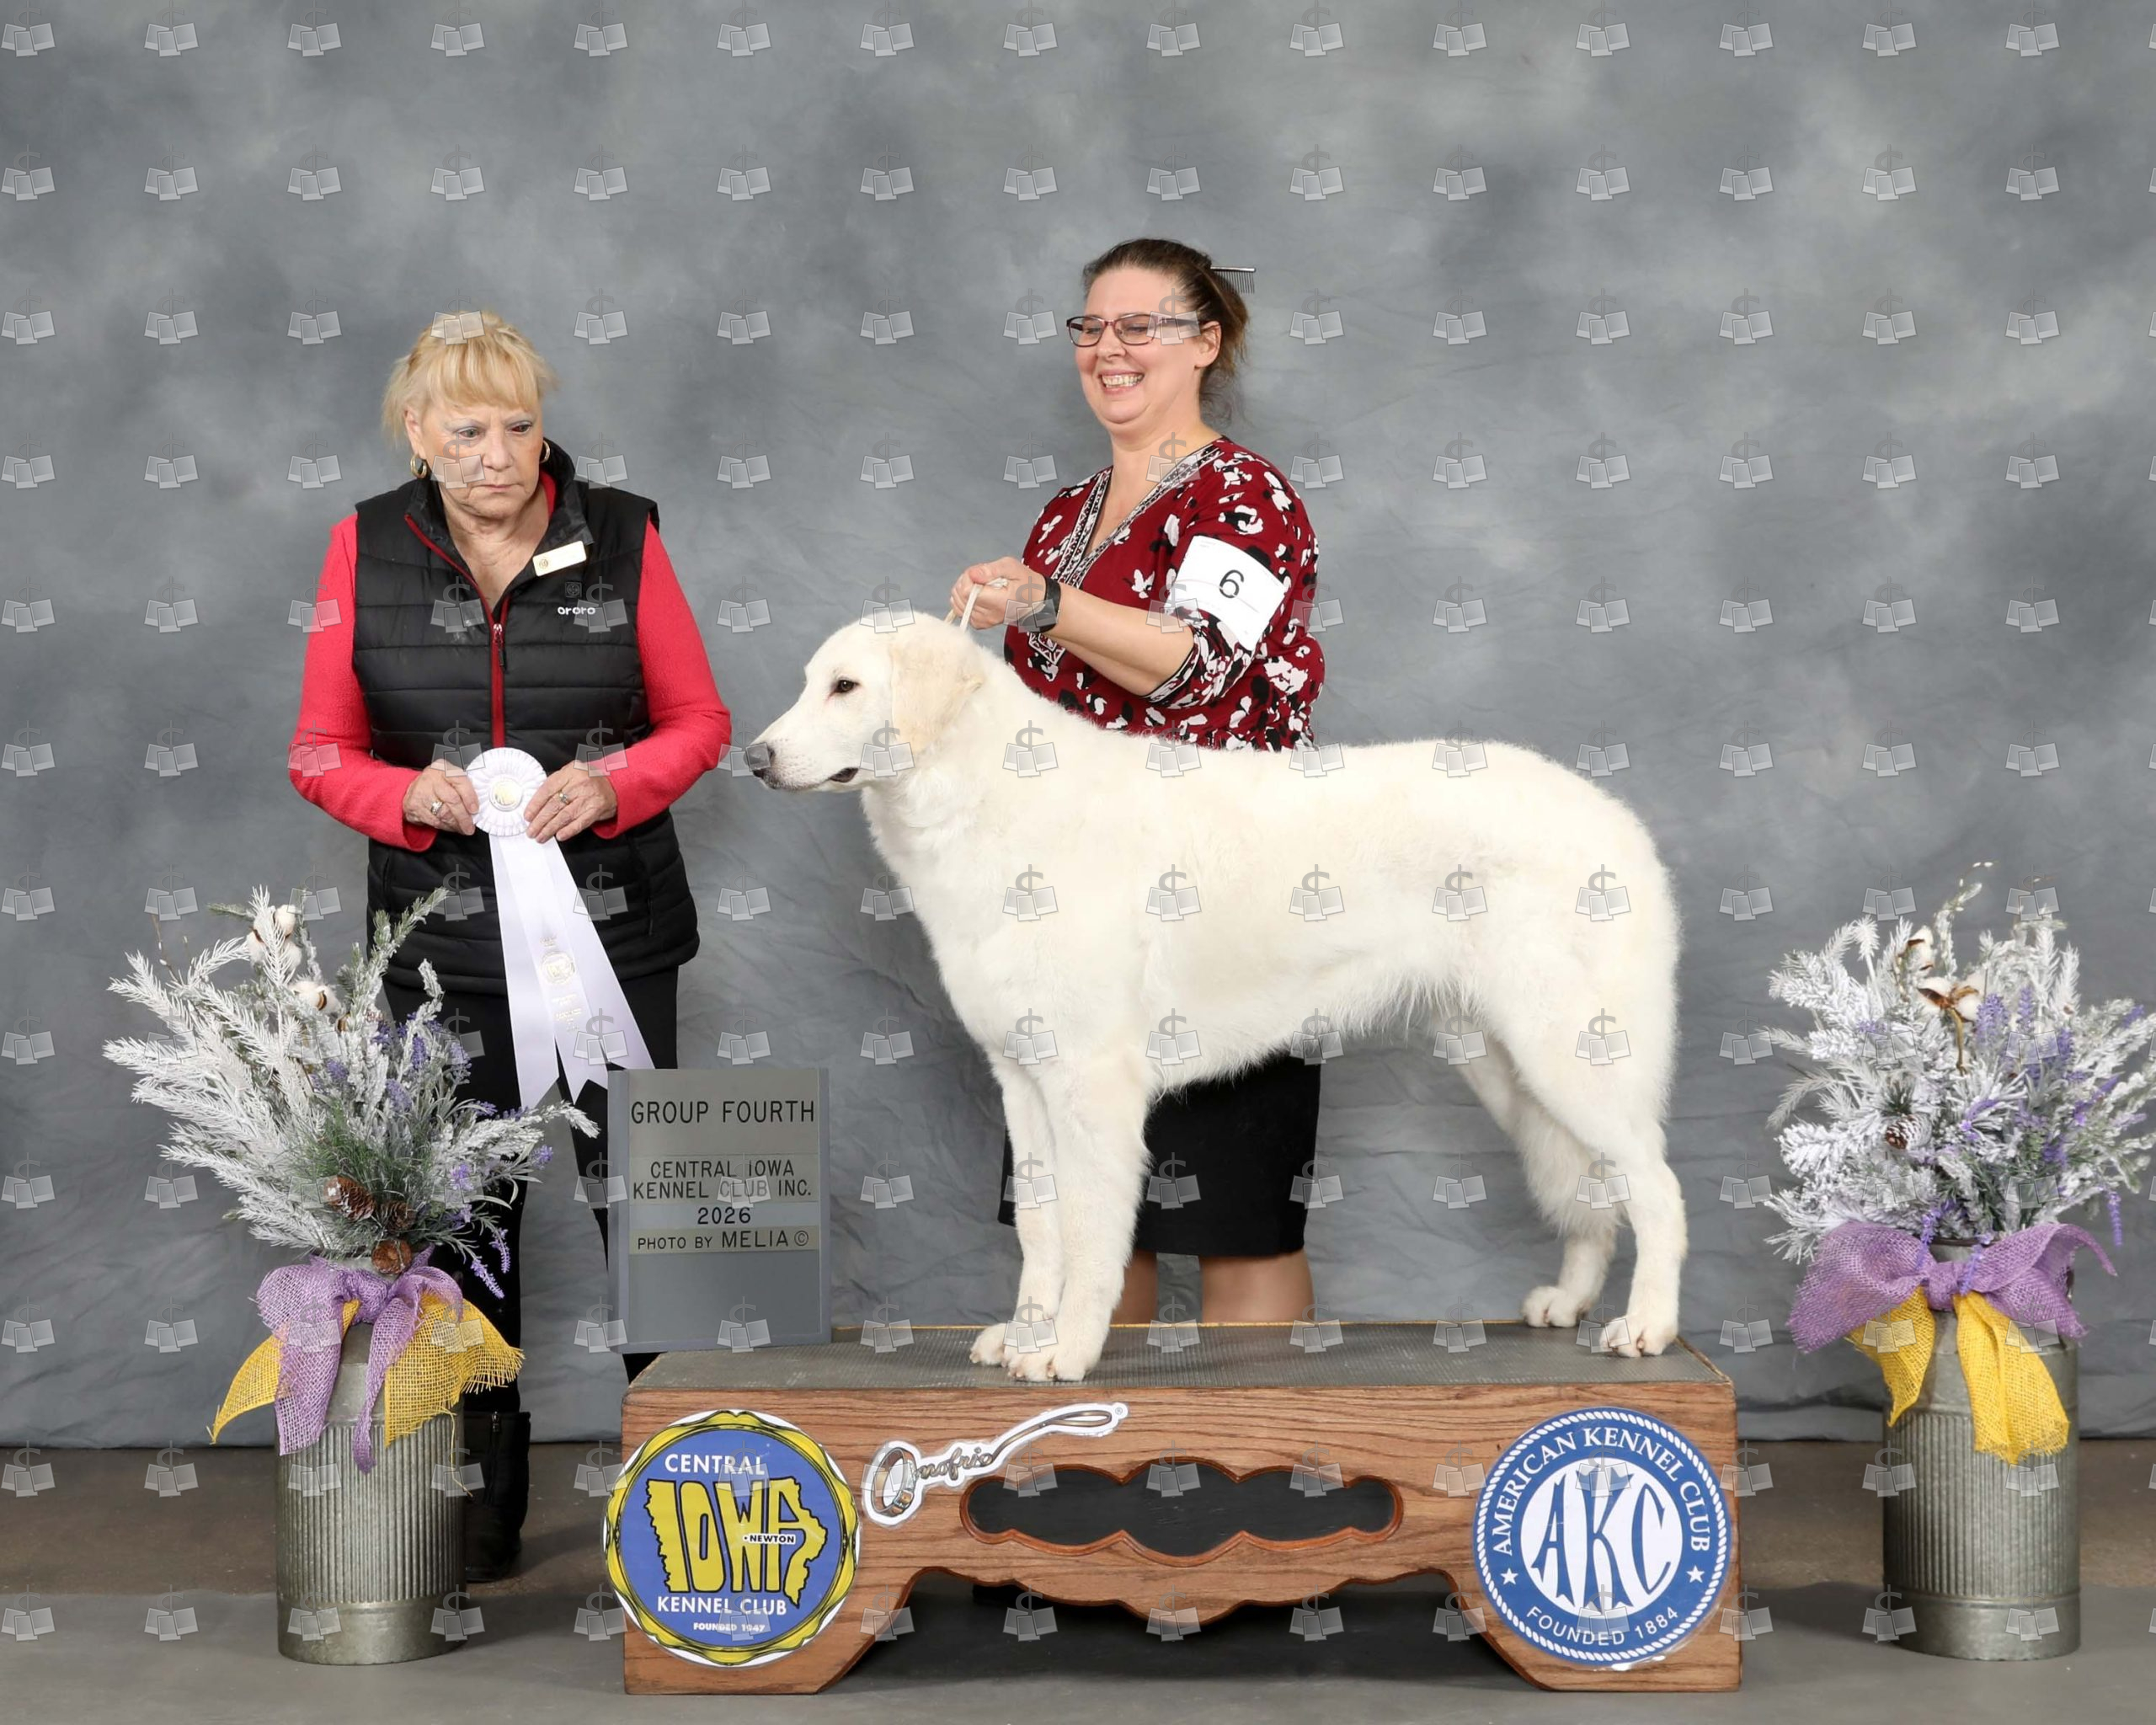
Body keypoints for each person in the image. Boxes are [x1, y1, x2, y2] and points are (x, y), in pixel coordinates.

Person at [287, 308, 729, 1580]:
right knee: (464, 1227)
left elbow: (699, 721)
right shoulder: (363, 544)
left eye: (520, 426)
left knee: (653, 1212)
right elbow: (318, 751)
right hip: (440, 951)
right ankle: (479, 1501)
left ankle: (692, 1489)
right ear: (416, 434)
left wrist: (616, 783)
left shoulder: (625, 532)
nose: (498, 455)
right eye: (467, 430)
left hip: (615, 937)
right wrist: (400, 795)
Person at [949, 237, 1331, 1333]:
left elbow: (1199, 665)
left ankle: (1260, 1446)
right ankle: (1095, 1439)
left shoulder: (1246, 495)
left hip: (1226, 901)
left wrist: (1046, 605)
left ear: (1205, 343)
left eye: (1140, 326)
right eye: (1092, 327)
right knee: (1086, 1220)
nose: (1109, 349)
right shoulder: (1063, 518)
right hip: (1072, 912)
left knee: (1239, 1222)